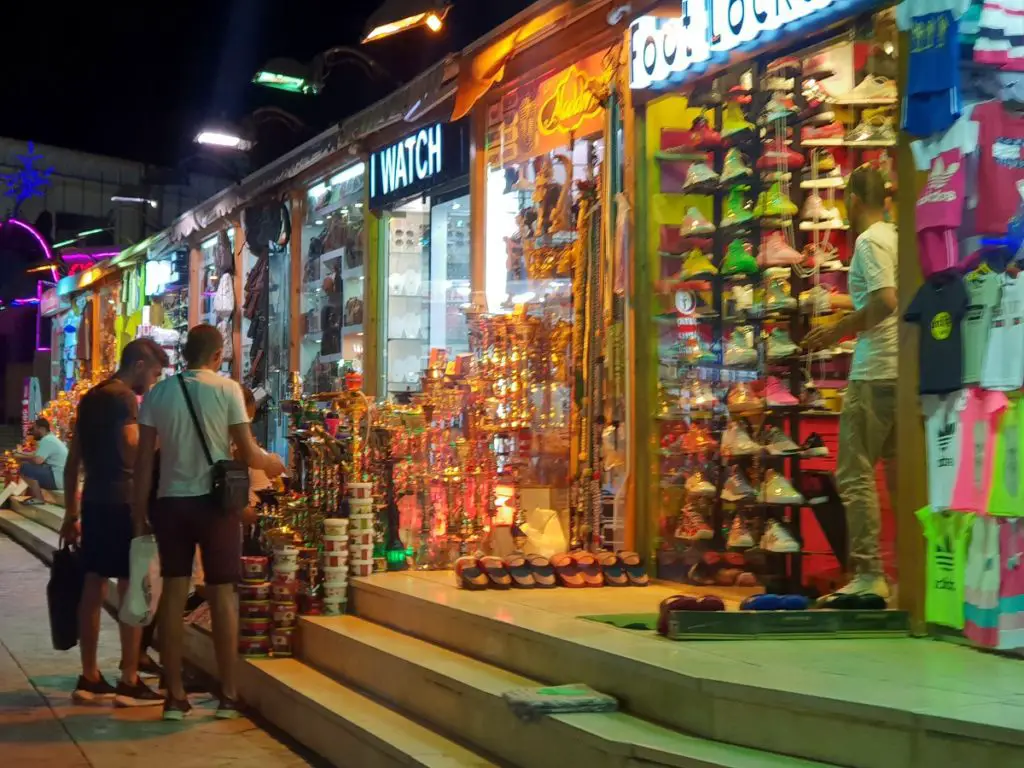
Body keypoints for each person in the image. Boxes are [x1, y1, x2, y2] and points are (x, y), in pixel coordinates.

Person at [132, 324, 285, 721]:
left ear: (184, 353)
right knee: (222, 596)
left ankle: (174, 696)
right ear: (217, 356)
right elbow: (249, 454)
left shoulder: (157, 394)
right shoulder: (227, 389)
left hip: (169, 504)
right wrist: (273, 463)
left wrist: (138, 514)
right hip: (215, 506)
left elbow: (145, 462)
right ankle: (228, 694)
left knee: (173, 593)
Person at [803, 165, 897, 599]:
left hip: (875, 371)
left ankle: (869, 573)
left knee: (853, 472)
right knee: (898, 477)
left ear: (854, 200)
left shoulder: (868, 241)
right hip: (900, 372)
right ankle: (907, 576)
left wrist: (838, 329)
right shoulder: (897, 238)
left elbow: (884, 302)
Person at [60, 338, 169, 706]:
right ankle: (129, 679)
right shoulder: (124, 398)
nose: (151, 383)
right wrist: (159, 440)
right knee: (132, 588)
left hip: (92, 501)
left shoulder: (90, 398)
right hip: (122, 502)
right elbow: (130, 447)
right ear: (138, 365)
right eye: (153, 373)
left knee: (92, 586)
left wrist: (70, 513)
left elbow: (73, 459)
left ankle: (89, 675)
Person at [16, 418, 68, 502]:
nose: (32, 432)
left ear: (42, 429)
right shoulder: (50, 438)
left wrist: (21, 457)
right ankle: (34, 496)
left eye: (34, 428)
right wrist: (20, 454)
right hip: (63, 478)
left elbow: (37, 460)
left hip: (58, 479)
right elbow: (35, 456)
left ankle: (39, 498)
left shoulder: (47, 440)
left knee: (25, 467)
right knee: (30, 467)